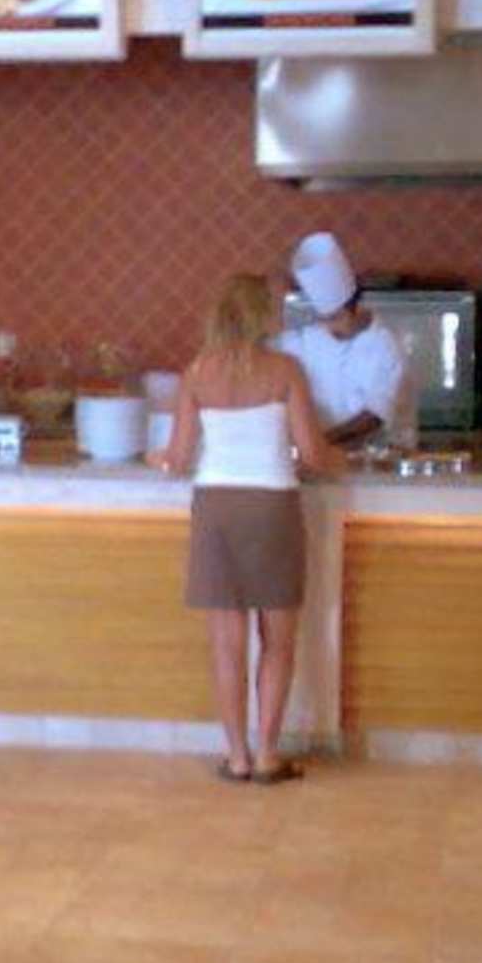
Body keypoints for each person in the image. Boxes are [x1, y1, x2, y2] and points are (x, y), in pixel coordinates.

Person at [151, 273, 341, 784]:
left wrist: (156, 458)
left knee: (226, 643)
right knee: (278, 640)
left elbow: (178, 458)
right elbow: (314, 454)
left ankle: (236, 756)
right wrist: (339, 459)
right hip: (272, 505)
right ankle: (268, 755)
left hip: (216, 506)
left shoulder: (197, 373)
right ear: (264, 317)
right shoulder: (286, 370)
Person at [274, 232, 413, 451]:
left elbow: (374, 417)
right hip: (323, 456)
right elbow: (262, 355)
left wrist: (319, 441)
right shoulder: (305, 341)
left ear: (355, 309)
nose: (329, 327)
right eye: (324, 319)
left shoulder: (386, 347)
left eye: (336, 318)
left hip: (377, 457)